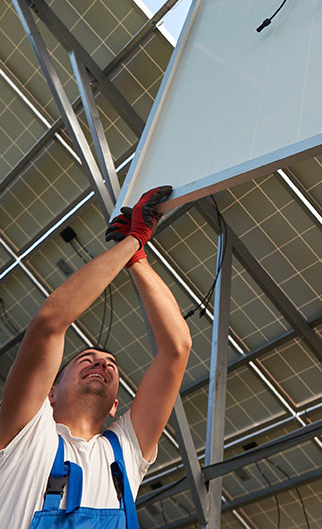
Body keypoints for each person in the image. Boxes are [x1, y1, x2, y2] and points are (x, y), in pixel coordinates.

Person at [0, 186, 192, 529]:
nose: (102, 364)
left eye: (111, 366)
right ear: (49, 393)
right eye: (85, 360)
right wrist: (132, 241)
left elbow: (177, 349)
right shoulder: (25, 434)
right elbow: (49, 323)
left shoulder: (126, 451)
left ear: (116, 405)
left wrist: (138, 259)